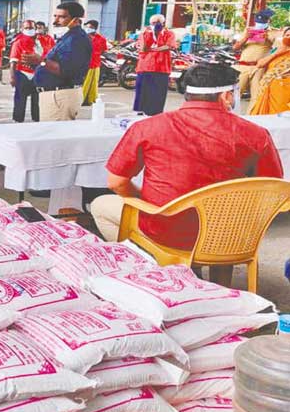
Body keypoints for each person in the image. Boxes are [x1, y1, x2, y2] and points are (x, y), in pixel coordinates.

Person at [91, 63, 284, 286]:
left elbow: (116, 183)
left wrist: (144, 198)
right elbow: (271, 188)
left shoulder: (148, 127)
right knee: (227, 218)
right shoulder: (256, 134)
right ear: (227, 96)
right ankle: (214, 280)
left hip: (167, 231)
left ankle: (155, 265)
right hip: (230, 236)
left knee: (100, 205)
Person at [20, 1, 92, 121]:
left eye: (62, 17)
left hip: (60, 96)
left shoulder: (76, 40)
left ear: (75, 20)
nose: (55, 21)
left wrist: (40, 61)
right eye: (55, 16)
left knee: (53, 135)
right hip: (54, 95)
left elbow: (65, 70)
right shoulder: (67, 37)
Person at [133, 14, 176, 116]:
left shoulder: (169, 33)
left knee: (158, 93)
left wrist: (154, 49)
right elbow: (143, 48)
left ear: (163, 23)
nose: (156, 25)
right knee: (143, 92)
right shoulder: (145, 33)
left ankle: (156, 113)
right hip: (145, 66)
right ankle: (141, 111)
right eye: (153, 23)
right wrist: (145, 35)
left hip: (161, 67)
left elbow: (169, 46)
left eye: (158, 22)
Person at [234, 9, 277, 99]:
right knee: (235, 94)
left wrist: (267, 39)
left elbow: (279, 45)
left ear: (268, 21)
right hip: (242, 66)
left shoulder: (272, 32)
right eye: (258, 22)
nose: (259, 24)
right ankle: (232, 113)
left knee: (257, 96)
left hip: (259, 67)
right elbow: (235, 47)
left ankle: (254, 113)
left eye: (262, 22)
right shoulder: (248, 31)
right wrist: (246, 37)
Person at [249, 26, 290, 115]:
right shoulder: (277, 51)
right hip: (267, 89)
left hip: (283, 93)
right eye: (287, 35)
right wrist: (277, 53)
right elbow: (260, 64)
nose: (288, 37)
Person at [9, 19, 40, 122]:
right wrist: (12, 77)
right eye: (26, 28)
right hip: (22, 73)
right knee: (20, 99)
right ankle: (18, 119)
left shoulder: (41, 41)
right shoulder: (18, 42)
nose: (29, 30)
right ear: (22, 29)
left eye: (31, 28)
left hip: (38, 74)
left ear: (35, 29)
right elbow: (13, 62)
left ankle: (37, 119)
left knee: (37, 100)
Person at [81, 20, 109, 105]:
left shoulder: (101, 38)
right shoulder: (83, 37)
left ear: (94, 28)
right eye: (87, 27)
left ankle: (90, 100)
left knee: (93, 83)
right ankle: (80, 99)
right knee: (83, 83)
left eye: (90, 27)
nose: (88, 29)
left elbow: (104, 50)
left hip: (95, 63)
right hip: (84, 63)